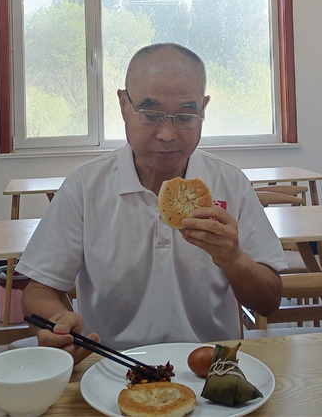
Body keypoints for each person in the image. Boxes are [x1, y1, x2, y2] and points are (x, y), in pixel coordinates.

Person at [17, 42, 287, 359]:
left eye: (185, 116)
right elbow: (39, 289)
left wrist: (234, 260)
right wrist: (57, 322)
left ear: (203, 109)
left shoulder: (230, 183)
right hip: (110, 367)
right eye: (151, 114)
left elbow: (269, 301)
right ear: (123, 106)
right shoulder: (86, 187)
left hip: (210, 367)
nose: (167, 134)